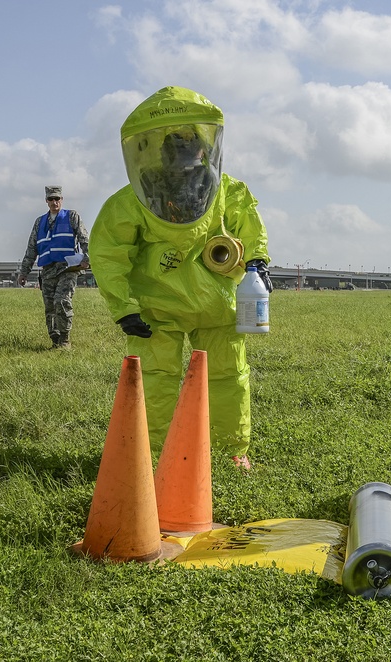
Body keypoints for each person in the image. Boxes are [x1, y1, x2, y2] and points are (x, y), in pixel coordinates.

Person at [89, 86, 271, 471]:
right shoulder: (134, 200)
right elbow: (108, 252)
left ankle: (227, 452)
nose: (184, 156)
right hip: (161, 311)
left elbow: (250, 229)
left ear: (204, 148)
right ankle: (153, 455)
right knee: (159, 380)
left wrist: (256, 262)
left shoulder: (227, 191)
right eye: (178, 146)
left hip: (207, 307)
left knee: (226, 377)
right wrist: (123, 308)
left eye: (189, 145)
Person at [18, 186, 90, 349]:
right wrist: (24, 271)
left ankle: (65, 340)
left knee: (61, 301)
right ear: (46, 201)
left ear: (61, 200)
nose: (54, 202)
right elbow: (31, 249)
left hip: (67, 268)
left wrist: (87, 258)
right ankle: (55, 340)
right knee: (50, 306)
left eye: (57, 198)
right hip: (48, 270)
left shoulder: (72, 216)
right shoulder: (40, 222)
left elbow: (84, 238)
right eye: (51, 199)